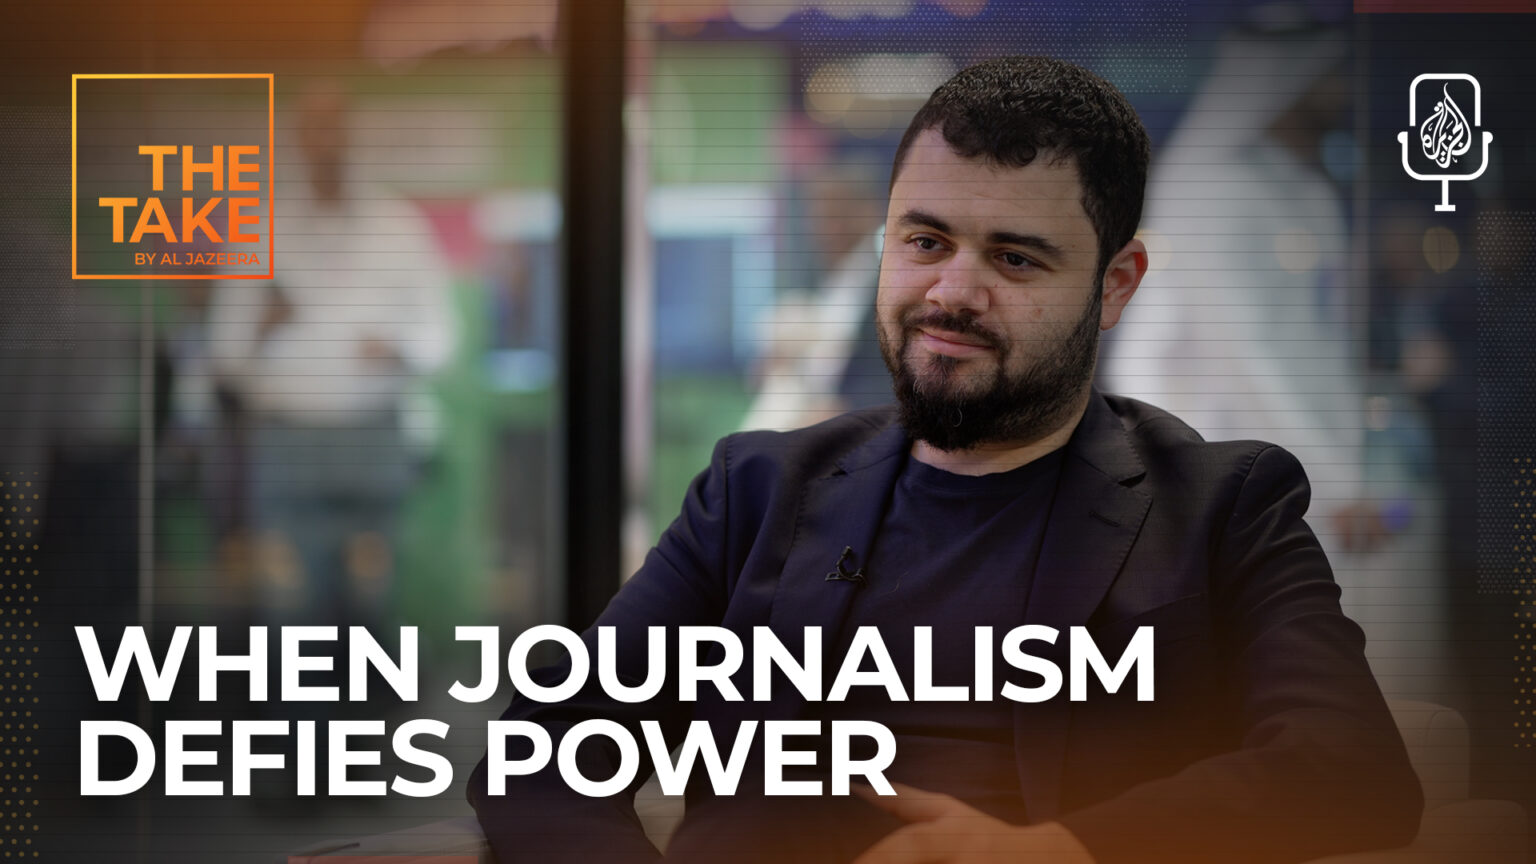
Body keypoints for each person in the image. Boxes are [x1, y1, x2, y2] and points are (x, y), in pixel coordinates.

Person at [470, 56, 1421, 864]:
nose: (952, 292)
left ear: (1115, 285)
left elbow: (1353, 770)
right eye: (925, 241)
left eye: (1015, 259)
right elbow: (536, 761)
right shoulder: (753, 494)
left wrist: (1057, 851)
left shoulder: (1224, 505)